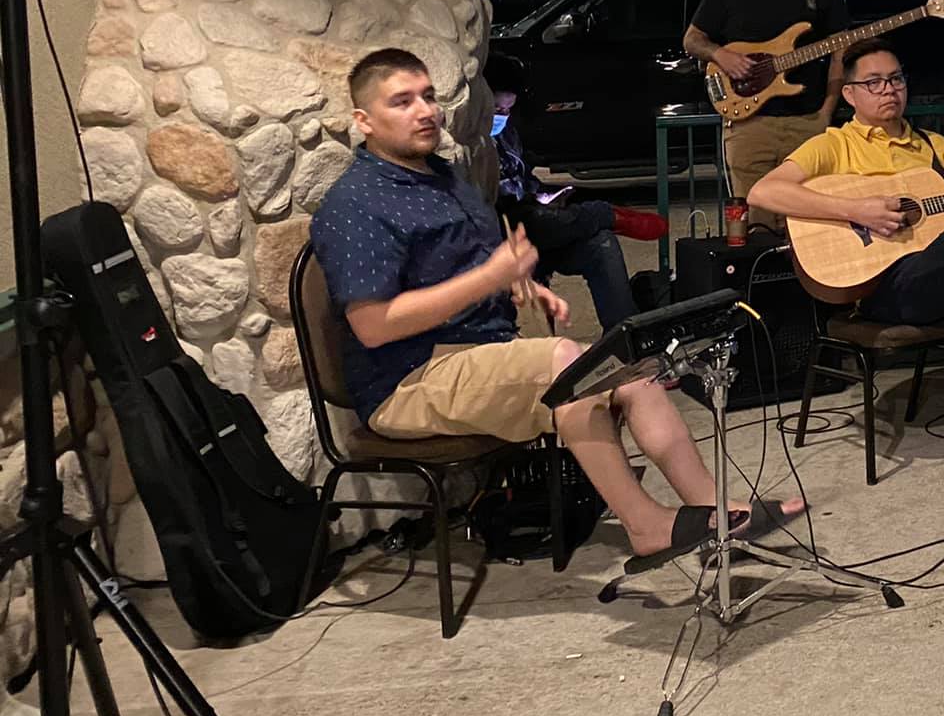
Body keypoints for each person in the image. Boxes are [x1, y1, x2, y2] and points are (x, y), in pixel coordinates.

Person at [310, 48, 803, 570]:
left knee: (628, 370)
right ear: (364, 121)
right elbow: (373, 326)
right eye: (402, 102)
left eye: (428, 96)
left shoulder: (440, 174)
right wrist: (488, 279)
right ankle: (647, 527)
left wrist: (520, 284)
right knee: (571, 366)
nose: (425, 111)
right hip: (408, 379)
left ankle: (716, 510)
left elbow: (468, 261)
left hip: (476, 352)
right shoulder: (356, 204)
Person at [745, 38, 944, 325]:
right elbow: (762, 192)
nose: (889, 89)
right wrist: (856, 211)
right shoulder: (834, 145)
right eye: (874, 83)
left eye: (896, 79)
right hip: (879, 289)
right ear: (849, 94)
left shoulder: (937, 147)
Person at [681, 0, 850, 230]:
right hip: (748, 128)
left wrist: (827, 111)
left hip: (807, 123)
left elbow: (840, 50)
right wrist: (721, 55)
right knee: (753, 226)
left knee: (809, 225)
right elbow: (692, 40)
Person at [484, 53, 668, 332]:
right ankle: (607, 214)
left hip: (534, 224)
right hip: (506, 231)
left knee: (600, 244)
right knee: (542, 220)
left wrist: (542, 194)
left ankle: (625, 338)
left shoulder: (508, 134)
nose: (503, 116)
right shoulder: (469, 143)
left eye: (508, 110)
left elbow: (525, 177)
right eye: (497, 109)